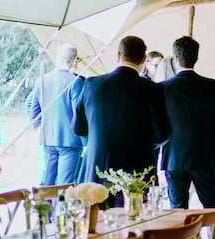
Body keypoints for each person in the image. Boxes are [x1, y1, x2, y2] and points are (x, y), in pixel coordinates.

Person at [71, 36, 170, 190]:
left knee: (98, 212)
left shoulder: (92, 84)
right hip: (136, 172)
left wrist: (99, 140)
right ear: (144, 59)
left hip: (98, 169)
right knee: (135, 212)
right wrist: (142, 145)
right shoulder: (153, 89)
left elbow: (78, 128)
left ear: (118, 55)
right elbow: (163, 133)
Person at [162, 37, 215, 210]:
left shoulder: (163, 87)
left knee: (177, 211)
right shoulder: (211, 86)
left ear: (175, 59)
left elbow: (158, 126)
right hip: (203, 158)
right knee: (213, 210)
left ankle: (180, 238)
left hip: (173, 159)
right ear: (197, 58)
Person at [27, 43, 85, 187]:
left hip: (47, 138)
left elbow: (32, 107)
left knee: (48, 183)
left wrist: (40, 125)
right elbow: (78, 112)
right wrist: (85, 139)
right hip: (70, 140)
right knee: (65, 186)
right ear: (74, 60)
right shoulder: (74, 81)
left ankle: (46, 209)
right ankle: (62, 209)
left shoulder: (41, 80)